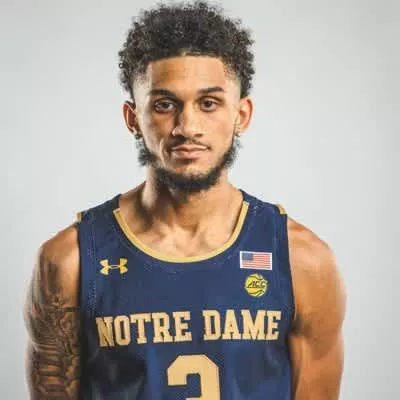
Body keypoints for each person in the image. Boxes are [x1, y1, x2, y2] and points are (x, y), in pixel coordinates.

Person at [24, 1, 346, 399]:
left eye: (208, 103)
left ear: (241, 115)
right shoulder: (70, 261)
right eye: (164, 105)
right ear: (133, 118)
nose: (187, 127)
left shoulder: (302, 261)